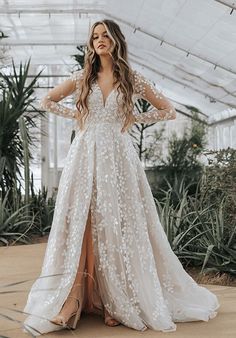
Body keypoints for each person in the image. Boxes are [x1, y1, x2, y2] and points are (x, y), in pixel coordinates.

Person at [22, 19, 219, 336]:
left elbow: (168, 110)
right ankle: (74, 300)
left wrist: (133, 118)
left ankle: (115, 300)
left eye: (105, 35)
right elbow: (45, 101)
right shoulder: (83, 77)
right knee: (83, 223)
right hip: (85, 155)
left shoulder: (131, 78)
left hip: (118, 158)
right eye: (94, 36)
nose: (99, 40)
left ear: (115, 40)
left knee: (116, 224)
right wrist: (78, 116)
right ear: (92, 43)